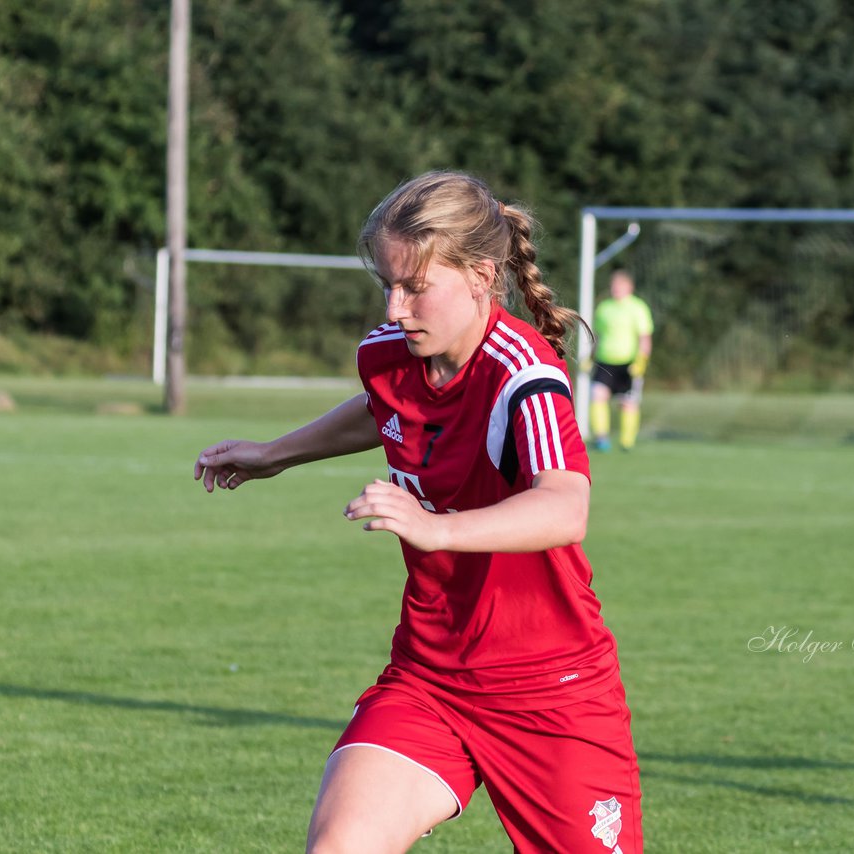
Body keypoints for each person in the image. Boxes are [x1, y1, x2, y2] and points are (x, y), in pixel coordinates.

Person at [194, 171, 642, 853]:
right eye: (387, 285)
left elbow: (564, 506)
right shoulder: (390, 354)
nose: (396, 307)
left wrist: (435, 529)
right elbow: (388, 411)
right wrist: (277, 453)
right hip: (431, 680)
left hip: (553, 693)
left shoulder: (522, 373)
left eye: (414, 286)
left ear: (480, 276)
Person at [588, 269, 653, 452]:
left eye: (620, 285)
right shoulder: (604, 308)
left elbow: (645, 338)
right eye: (613, 285)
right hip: (605, 360)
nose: (616, 288)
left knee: (627, 402)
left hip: (628, 362)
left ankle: (626, 441)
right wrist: (591, 356)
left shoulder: (638, 308)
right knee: (598, 395)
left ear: (629, 287)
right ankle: (601, 438)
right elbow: (598, 336)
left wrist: (642, 360)